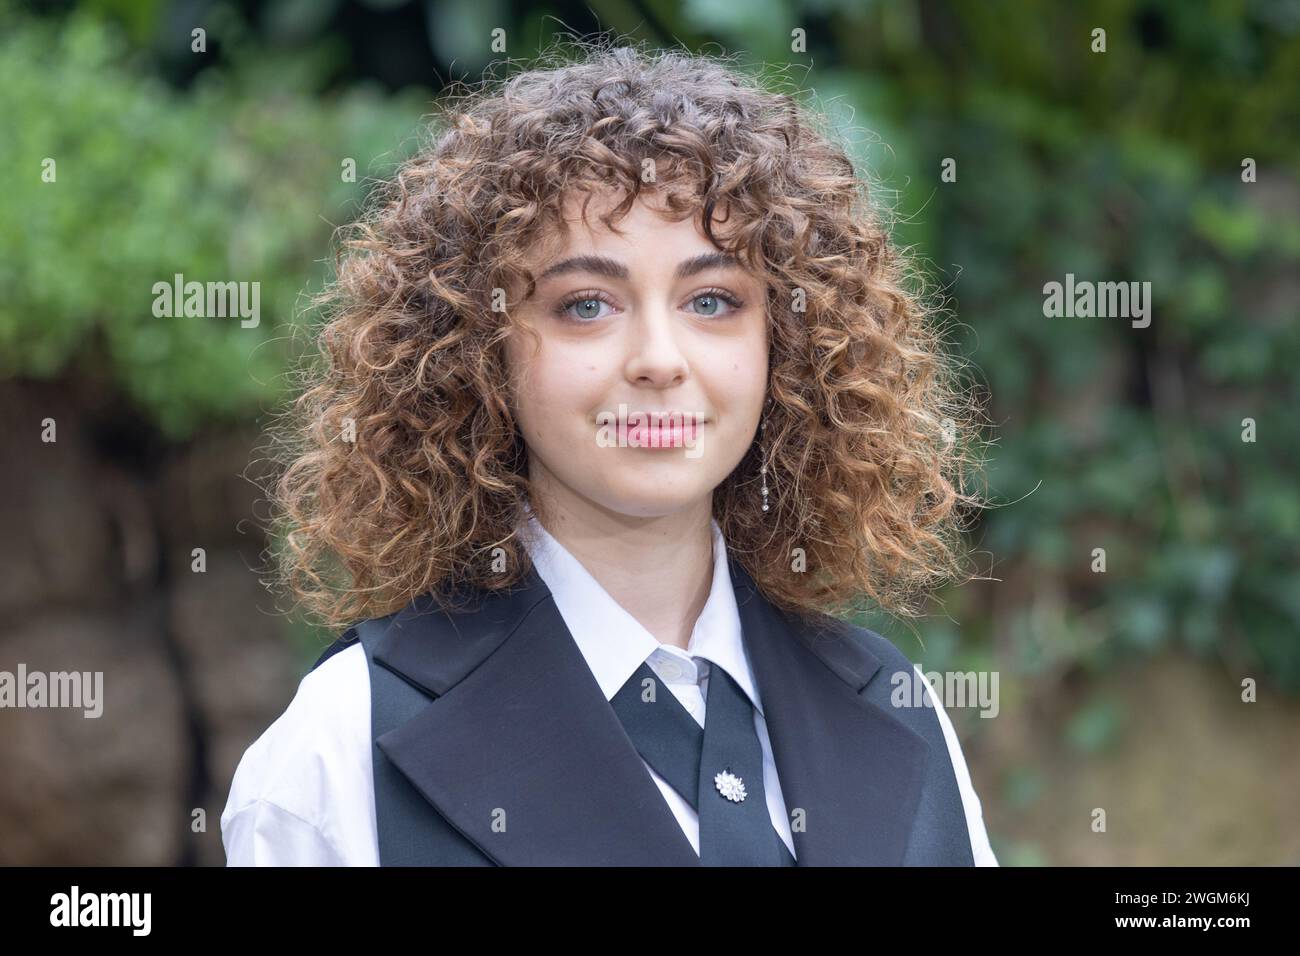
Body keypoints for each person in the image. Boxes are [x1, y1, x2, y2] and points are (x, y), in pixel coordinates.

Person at [222, 42, 995, 866]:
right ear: (478, 349)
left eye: (713, 300)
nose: (660, 359)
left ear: (789, 340)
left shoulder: (896, 713)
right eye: (586, 305)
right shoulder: (339, 749)